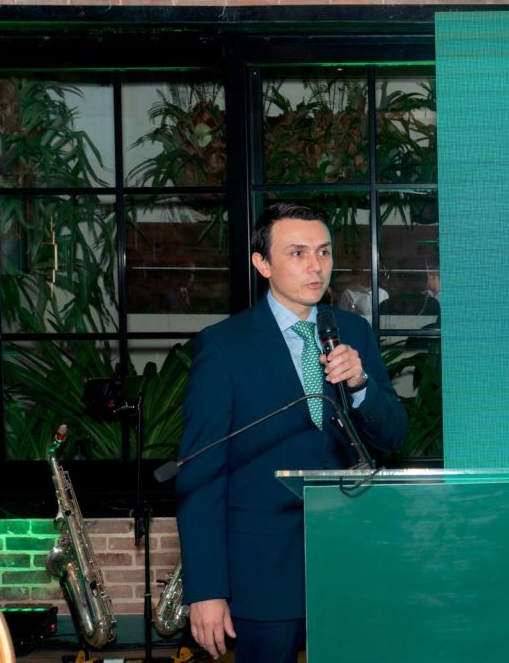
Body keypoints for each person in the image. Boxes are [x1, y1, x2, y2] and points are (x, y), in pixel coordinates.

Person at [175, 203, 408, 662]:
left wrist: (361, 384)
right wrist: (206, 589)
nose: (315, 266)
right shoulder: (224, 345)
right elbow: (201, 476)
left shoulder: (354, 333)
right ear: (262, 264)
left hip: (349, 561)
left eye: (323, 252)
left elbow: (393, 437)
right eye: (298, 253)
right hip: (261, 571)